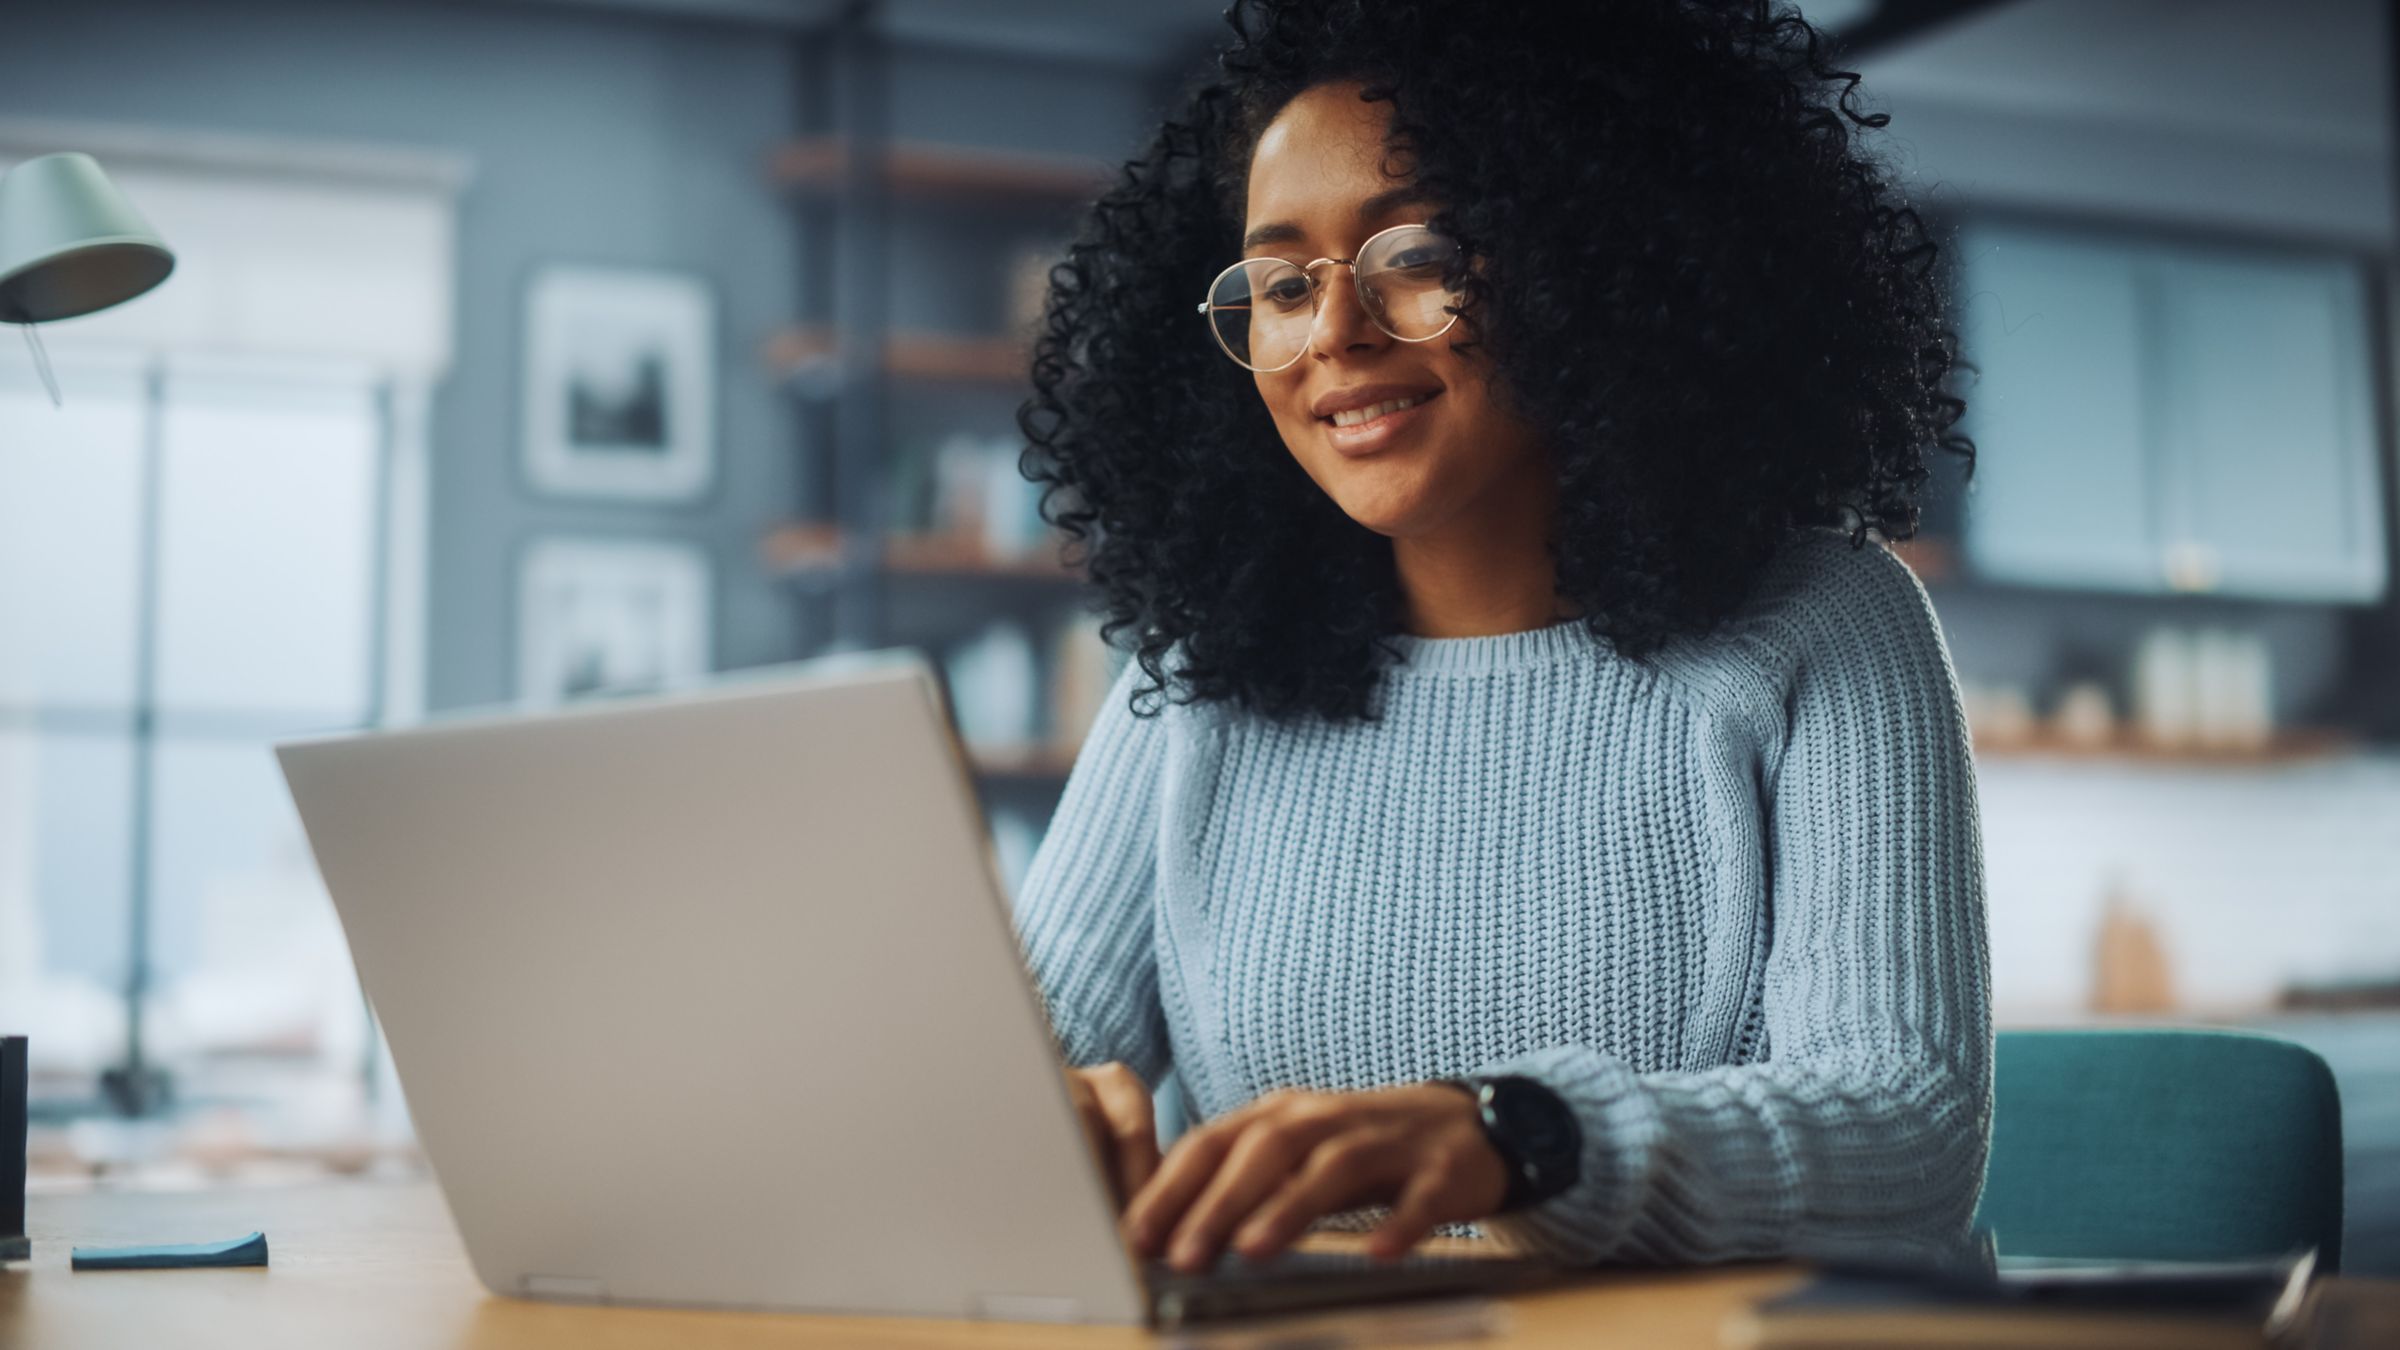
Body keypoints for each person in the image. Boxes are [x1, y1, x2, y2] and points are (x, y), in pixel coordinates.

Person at [1008, 0, 1990, 1277]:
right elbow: (1027, 1044)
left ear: (1597, 257)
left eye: (1415, 253)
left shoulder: (1821, 628)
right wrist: (1025, 1107)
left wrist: (1518, 1138)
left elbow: (1903, 1130)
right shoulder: (1204, 673)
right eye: (1281, 282)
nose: (1332, 333)